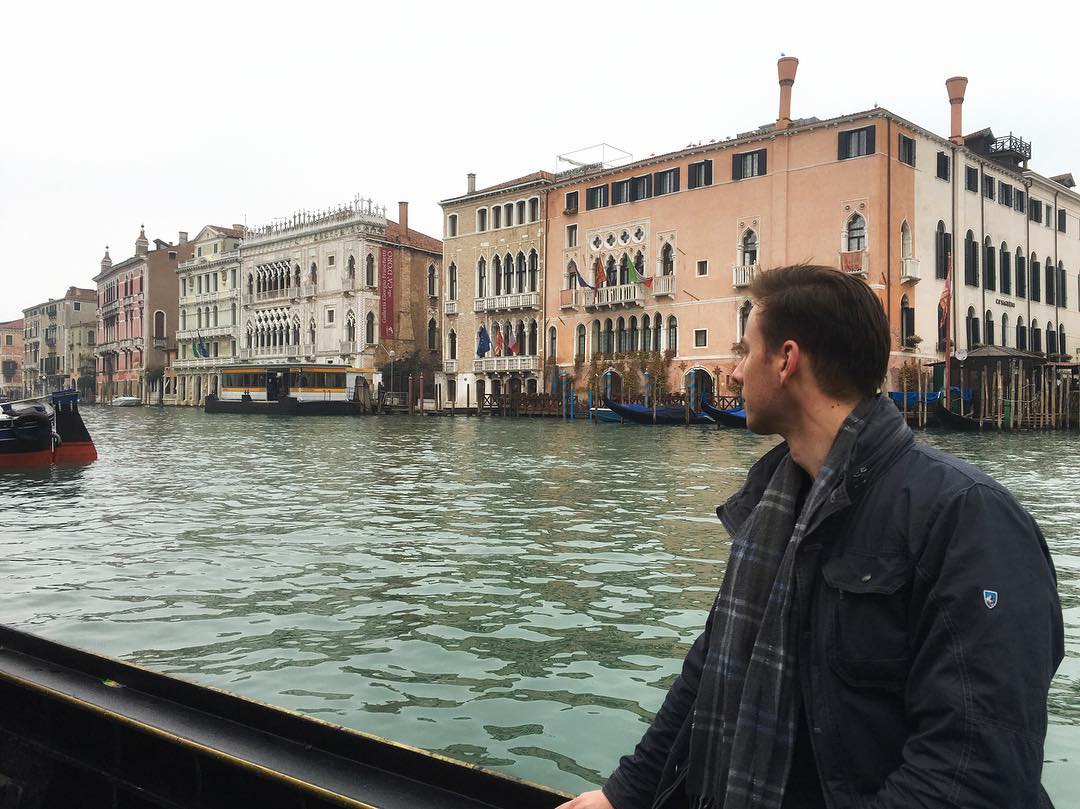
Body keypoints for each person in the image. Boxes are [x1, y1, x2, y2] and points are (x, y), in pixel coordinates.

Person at [557, 265, 1063, 809]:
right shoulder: (770, 506)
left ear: (786, 360)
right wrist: (624, 795)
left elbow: (972, 772)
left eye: (745, 352)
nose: (734, 374)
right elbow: (709, 670)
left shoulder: (968, 517)